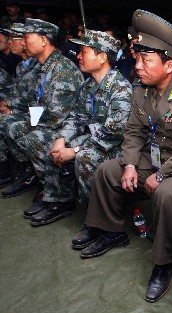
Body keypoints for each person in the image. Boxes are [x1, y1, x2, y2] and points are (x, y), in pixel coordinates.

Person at [74, 10, 172, 304]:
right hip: (154, 159)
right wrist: (127, 165)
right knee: (107, 170)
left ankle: (162, 264)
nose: (137, 66)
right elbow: (134, 132)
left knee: (165, 192)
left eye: (145, 60)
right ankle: (109, 230)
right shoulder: (141, 90)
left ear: (168, 65)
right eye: (136, 58)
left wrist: (161, 175)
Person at [24, 30, 132, 227]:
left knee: (85, 157)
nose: (79, 56)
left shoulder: (120, 88)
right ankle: (59, 200)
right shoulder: (89, 85)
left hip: (116, 146)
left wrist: (74, 151)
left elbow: (113, 133)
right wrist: (61, 140)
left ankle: (99, 218)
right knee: (51, 143)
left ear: (102, 57)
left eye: (84, 51)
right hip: (92, 140)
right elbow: (76, 117)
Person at [1, 19, 84, 208]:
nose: (23, 42)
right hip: (47, 121)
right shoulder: (43, 67)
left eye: (27, 37)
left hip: (66, 128)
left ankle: (60, 195)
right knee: (9, 125)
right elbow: (33, 101)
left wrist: (31, 125)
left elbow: (58, 116)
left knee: (34, 138)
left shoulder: (62, 69)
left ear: (43, 40)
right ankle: (37, 178)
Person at [0, 23, 40, 188]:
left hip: (36, 114)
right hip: (26, 110)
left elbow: (35, 100)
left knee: (9, 124)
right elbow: (20, 94)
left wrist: (11, 106)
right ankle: (11, 171)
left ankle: (29, 172)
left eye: (14, 38)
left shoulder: (38, 66)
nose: (10, 42)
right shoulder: (20, 66)